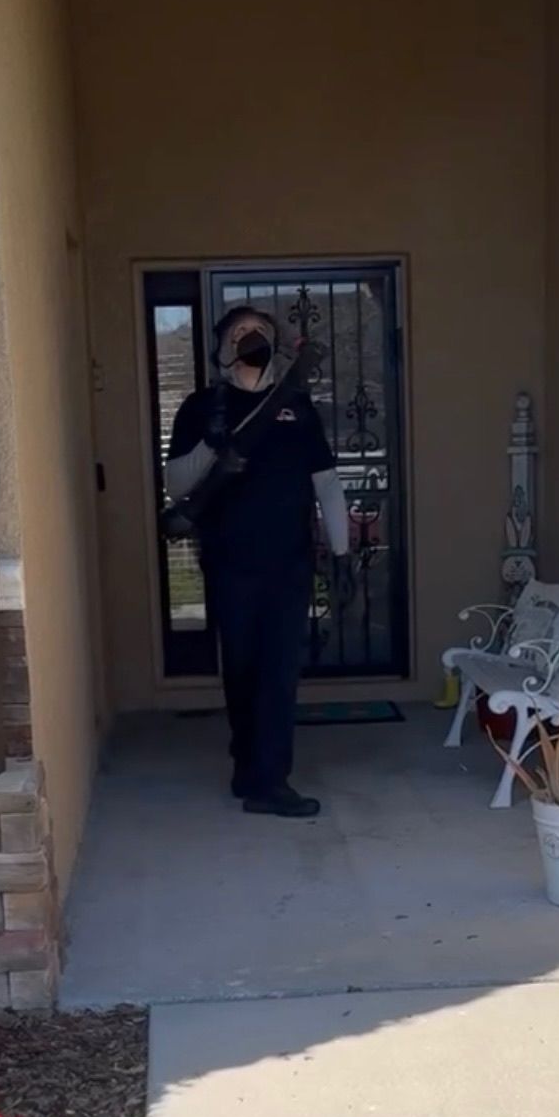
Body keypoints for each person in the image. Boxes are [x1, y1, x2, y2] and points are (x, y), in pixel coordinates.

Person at [165, 306, 355, 818]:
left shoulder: (296, 405)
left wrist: (341, 553)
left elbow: (327, 482)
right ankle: (248, 762)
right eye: (242, 334)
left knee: (278, 673)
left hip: (289, 563)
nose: (252, 341)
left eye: (261, 334)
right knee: (243, 670)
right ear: (223, 346)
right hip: (229, 562)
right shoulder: (201, 407)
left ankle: (270, 781)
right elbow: (177, 483)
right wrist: (215, 446)